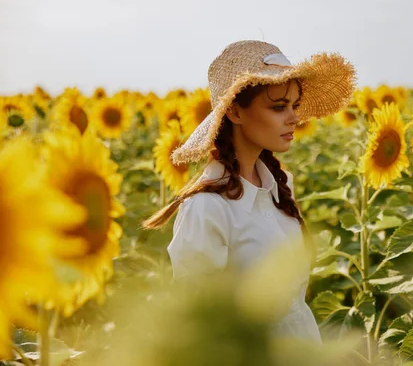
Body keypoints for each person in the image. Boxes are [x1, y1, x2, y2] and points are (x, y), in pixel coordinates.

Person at [142, 40, 356, 343]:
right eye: (279, 107)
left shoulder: (280, 187)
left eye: (294, 106)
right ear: (235, 112)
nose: (294, 117)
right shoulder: (207, 206)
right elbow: (199, 327)